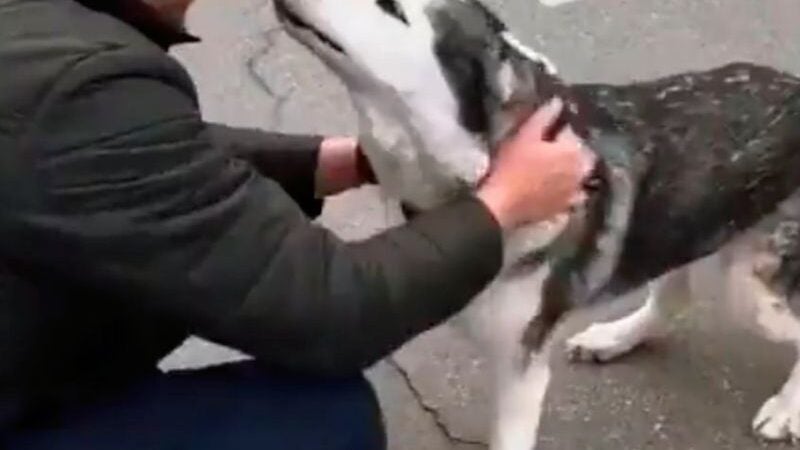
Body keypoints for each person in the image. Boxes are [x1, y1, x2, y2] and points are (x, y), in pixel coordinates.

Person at [0, 0, 593, 449]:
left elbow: (126, 156)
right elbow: (331, 313)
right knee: (325, 420)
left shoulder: (40, 45)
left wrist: (330, 163)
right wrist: (506, 202)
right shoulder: (74, 86)